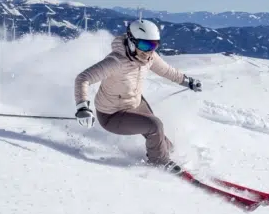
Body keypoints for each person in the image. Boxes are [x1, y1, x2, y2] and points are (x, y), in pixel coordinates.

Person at [73, 18, 202, 174]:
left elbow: (167, 71)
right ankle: (159, 162)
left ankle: (166, 155)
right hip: (112, 115)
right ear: (132, 42)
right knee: (155, 126)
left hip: (135, 103)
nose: (149, 51)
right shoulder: (116, 61)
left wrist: (187, 81)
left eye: (153, 45)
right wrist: (82, 108)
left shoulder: (149, 57)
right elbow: (83, 78)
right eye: (145, 45)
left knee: (164, 142)